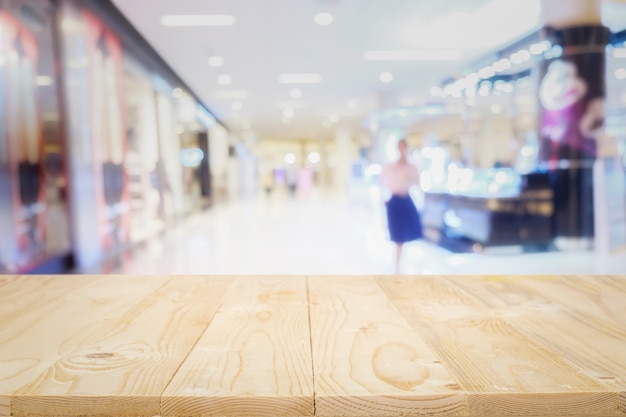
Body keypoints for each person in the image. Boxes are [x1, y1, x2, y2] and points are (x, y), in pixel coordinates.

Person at [381, 139, 423, 274]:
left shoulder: (411, 167)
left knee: (406, 234)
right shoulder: (391, 166)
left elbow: (417, 183)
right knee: (397, 235)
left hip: (405, 200)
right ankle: (397, 266)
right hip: (394, 201)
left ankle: (400, 264)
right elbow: (383, 182)